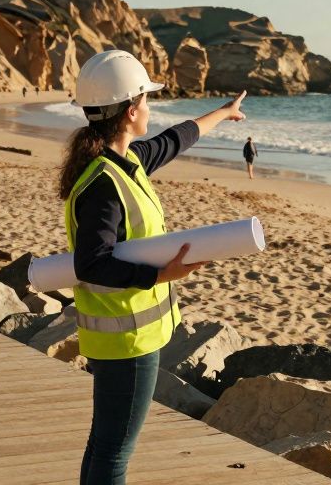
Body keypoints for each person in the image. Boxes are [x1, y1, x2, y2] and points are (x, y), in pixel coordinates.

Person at [60, 50, 246, 485]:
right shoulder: (105, 184)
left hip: (121, 336)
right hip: (128, 341)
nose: (150, 107)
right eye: (145, 99)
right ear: (129, 111)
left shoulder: (124, 162)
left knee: (104, 444)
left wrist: (222, 113)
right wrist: (159, 275)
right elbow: (91, 264)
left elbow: (177, 137)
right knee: (114, 453)